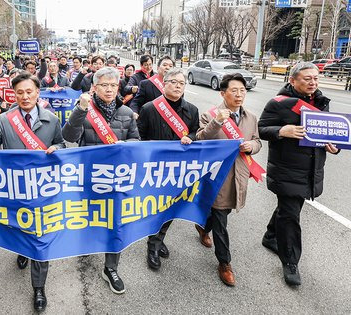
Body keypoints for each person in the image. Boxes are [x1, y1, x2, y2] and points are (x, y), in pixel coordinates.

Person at [0, 72, 65, 312]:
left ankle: (39, 287)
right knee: (19, 228)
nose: (25, 96)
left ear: (38, 92)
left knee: (41, 236)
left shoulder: (51, 119)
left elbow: (62, 144)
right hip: (15, 188)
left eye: (29, 91)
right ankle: (22, 250)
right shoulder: (5, 120)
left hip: (44, 189)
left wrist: (57, 146)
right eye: (20, 92)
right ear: (13, 95)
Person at [258, 62, 340, 286]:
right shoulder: (278, 103)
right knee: (291, 215)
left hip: (311, 169)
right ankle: (290, 261)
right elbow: (262, 129)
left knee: (289, 209)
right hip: (286, 169)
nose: (313, 82)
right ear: (293, 81)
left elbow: (329, 133)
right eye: (307, 78)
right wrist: (282, 131)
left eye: (315, 78)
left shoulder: (321, 102)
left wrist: (334, 146)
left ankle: (270, 236)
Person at [62, 67, 139, 294]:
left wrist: (130, 145)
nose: (108, 89)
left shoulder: (125, 113)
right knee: (88, 217)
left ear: (118, 88)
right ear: (94, 87)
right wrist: (80, 110)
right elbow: (69, 137)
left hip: (117, 180)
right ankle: (85, 244)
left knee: (116, 223)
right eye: (104, 85)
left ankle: (111, 268)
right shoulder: (84, 109)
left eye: (113, 86)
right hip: (89, 178)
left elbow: (136, 139)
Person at [196, 73, 262, 286]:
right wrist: (217, 122)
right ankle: (225, 263)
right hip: (217, 176)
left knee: (221, 213)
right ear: (223, 93)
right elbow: (201, 139)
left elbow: (257, 141)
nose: (239, 94)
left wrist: (252, 147)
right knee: (221, 219)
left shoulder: (250, 117)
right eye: (234, 90)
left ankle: (203, 227)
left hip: (239, 174)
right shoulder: (210, 114)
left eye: (242, 91)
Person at [136, 68, 203, 270]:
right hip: (154, 169)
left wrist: (190, 137)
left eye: (181, 83)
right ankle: (153, 245)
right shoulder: (149, 108)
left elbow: (195, 132)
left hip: (179, 169)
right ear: (164, 84)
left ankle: (158, 239)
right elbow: (139, 138)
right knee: (156, 207)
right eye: (173, 82)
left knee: (172, 208)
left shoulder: (192, 110)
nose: (177, 86)